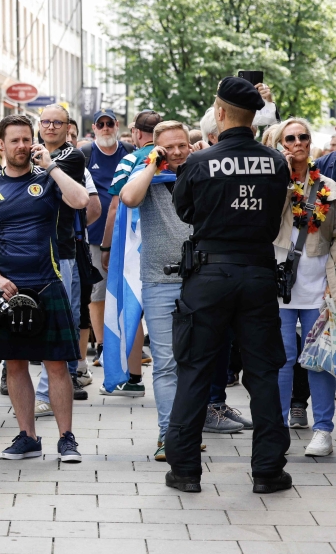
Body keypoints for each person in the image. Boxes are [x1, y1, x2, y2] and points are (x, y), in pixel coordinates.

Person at [164, 76, 291, 494]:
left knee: (195, 369)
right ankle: (269, 471)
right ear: (254, 116)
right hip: (257, 274)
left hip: (209, 276)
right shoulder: (277, 162)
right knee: (263, 374)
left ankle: (184, 470)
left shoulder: (201, 162)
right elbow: (274, 216)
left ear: (220, 113)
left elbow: (184, 211)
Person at [0, 115, 88, 463]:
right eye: (15, 141)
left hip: (47, 282)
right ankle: (27, 437)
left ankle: (67, 439)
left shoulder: (49, 179)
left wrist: (50, 167)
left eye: (26, 139)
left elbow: (81, 200)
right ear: (2, 145)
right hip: (7, 290)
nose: (22, 146)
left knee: (56, 365)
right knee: (15, 364)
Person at [118, 121, 196, 460]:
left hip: (201, 280)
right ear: (156, 146)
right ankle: (169, 436)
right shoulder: (147, 174)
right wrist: (152, 163)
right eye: (169, 147)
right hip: (159, 280)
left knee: (194, 362)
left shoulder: (200, 172)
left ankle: (187, 431)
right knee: (165, 362)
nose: (177, 152)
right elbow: (128, 198)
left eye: (182, 145)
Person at [270, 118, 336, 457]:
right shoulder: (272, 184)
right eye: (290, 138)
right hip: (277, 288)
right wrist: (281, 173)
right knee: (281, 359)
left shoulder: (329, 187)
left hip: (318, 290)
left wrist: (333, 289)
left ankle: (323, 429)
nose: (298, 143)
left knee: (318, 360)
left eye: (303, 137)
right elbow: (266, 222)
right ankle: (277, 429)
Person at [30, 105, 89, 415]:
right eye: (46, 122)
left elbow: (42, 184)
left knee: (55, 321)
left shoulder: (71, 156)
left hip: (59, 251)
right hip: (29, 250)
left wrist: (41, 164)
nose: (50, 127)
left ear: (68, 128)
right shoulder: (34, 152)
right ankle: (48, 388)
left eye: (57, 122)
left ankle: (46, 393)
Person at [99, 110, 163, 393]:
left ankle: (132, 376)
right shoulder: (172, 158)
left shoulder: (130, 159)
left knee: (130, 306)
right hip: (169, 244)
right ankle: (165, 374)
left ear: (137, 132)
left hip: (132, 247)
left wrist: (106, 246)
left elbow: (115, 207)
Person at [81, 110, 131, 370]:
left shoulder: (129, 152)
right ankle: (102, 345)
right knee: (97, 294)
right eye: (100, 124)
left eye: (109, 123)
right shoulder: (87, 154)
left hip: (127, 236)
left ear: (116, 125)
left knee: (125, 291)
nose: (105, 128)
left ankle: (127, 344)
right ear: (94, 128)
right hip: (94, 236)